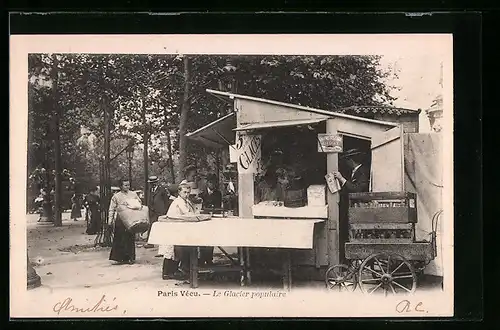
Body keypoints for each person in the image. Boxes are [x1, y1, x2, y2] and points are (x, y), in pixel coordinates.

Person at [332, 149, 370, 262]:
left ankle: (354, 262)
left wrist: (341, 179)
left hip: (358, 209)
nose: (346, 163)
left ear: (351, 161)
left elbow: (357, 189)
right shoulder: (355, 171)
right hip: (351, 209)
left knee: (355, 235)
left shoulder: (362, 171)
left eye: (347, 160)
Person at [158, 183, 197, 280]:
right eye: (184, 192)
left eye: (188, 192)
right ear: (179, 192)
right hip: (172, 227)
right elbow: (187, 213)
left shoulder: (186, 201)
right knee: (171, 251)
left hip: (178, 227)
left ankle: (175, 270)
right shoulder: (178, 202)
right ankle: (167, 273)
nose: (186, 194)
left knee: (177, 251)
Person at [108, 178, 143, 265]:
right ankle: (120, 258)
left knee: (130, 238)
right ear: (121, 186)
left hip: (131, 219)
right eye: (125, 185)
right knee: (120, 238)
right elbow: (111, 209)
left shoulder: (133, 194)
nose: (127, 186)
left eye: (128, 185)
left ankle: (130, 257)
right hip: (120, 219)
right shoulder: (116, 196)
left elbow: (139, 203)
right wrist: (110, 220)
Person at [199, 174, 222, 266]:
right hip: (204, 219)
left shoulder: (218, 194)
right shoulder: (202, 194)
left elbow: (218, 206)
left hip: (213, 218)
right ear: (207, 183)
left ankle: (209, 259)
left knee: (211, 239)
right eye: (211, 182)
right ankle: (201, 259)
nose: (213, 184)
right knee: (203, 240)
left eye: (214, 183)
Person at [144, 176, 172, 249]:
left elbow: (166, 201)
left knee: (161, 227)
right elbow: (148, 199)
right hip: (152, 211)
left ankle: (162, 245)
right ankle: (150, 242)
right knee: (151, 226)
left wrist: (165, 211)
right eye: (151, 183)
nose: (152, 184)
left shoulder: (162, 190)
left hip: (160, 211)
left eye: (153, 183)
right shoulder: (149, 190)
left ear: (156, 182)